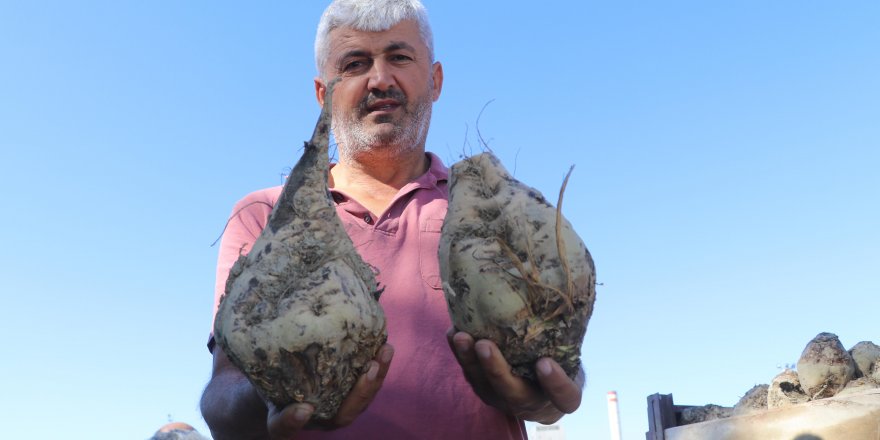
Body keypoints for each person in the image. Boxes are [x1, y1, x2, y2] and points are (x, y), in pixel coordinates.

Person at [199, 1, 584, 438]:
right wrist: (280, 384)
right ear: (323, 93)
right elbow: (222, 400)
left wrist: (547, 389)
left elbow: (560, 374)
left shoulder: (492, 210)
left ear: (435, 81)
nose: (380, 79)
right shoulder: (265, 217)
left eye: (399, 57)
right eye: (355, 63)